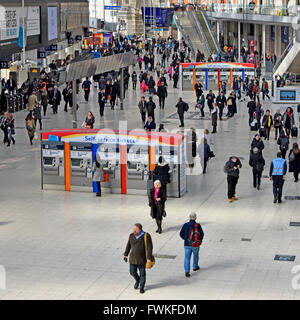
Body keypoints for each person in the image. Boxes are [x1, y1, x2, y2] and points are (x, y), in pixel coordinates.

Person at [123, 223, 154, 294]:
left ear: (140, 229)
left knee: (142, 274)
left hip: (142, 259)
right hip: (133, 258)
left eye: (136, 230)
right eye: (134, 229)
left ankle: (142, 287)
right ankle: (137, 280)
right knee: (132, 272)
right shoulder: (131, 235)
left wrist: (148, 258)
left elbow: (149, 247)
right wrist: (125, 254)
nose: (134, 231)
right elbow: (128, 245)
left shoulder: (146, 236)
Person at [179, 212, 204, 278]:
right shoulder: (198, 225)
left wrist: (185, 239)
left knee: (187, 258)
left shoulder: (185, 225)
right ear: (195, 218)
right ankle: (195, 267)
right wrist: (200, 240)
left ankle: (187, 271)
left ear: (189, 217)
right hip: (195, 244)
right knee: (196, 255)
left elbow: (181, 234)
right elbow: (202, 234)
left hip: (187, 244)